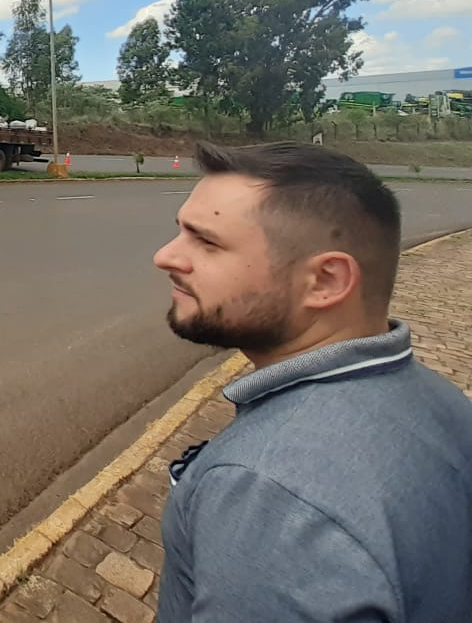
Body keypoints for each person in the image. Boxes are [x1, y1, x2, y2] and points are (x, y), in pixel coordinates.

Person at [153, 141, 472, 622]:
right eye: (180, 231)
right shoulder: (442, 402)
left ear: (325, 281)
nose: (166, 256)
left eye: (207, 241)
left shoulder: (268, 491)